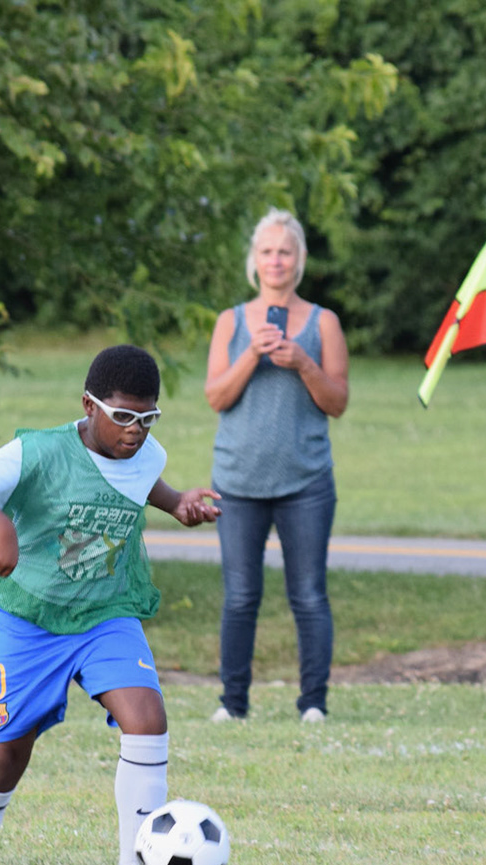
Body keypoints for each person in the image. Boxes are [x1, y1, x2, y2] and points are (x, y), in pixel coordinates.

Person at [0, 344, 220, 865]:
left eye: (147, 417)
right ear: (89, 406)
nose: (135, 430)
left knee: (147, 718)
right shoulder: (41, 452)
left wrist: (178, 503)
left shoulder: (146, 452)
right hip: (30, 619)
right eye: (123, 416)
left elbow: (140, 482)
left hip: (104, 614)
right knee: (4, 755)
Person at [203, 207, 350, 723]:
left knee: (308, 595)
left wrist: (302, 362)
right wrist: (252, 355)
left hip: (305, 482)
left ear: (300, 258)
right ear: (254, 259)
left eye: (285, 251)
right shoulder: (230, 322)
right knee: (240, 597)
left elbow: (337, 402)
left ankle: (314, 704)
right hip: (238, 481)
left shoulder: (324, 323)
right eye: (266, 251)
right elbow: (216, 397)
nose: (276, 260)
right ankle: (233, 704)